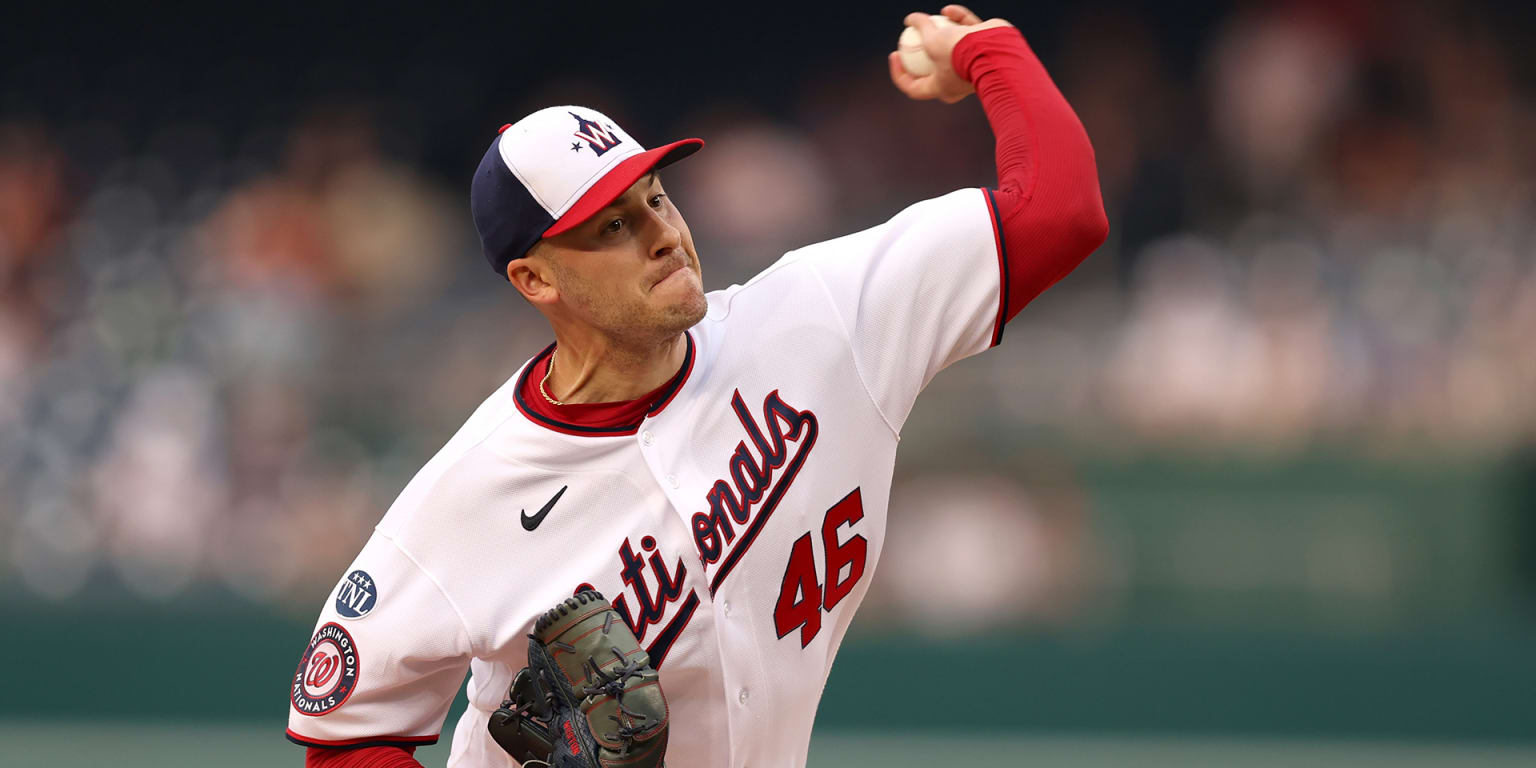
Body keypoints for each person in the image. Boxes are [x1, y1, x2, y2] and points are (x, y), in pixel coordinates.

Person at [285, 6, 1108, 767]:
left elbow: (1061, 213)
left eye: (655, 197)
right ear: (536, 279)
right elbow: (345, 731)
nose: (662, 235)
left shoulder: (819, 321)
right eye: (613, 226)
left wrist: (988, 49)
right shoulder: (468, 495)